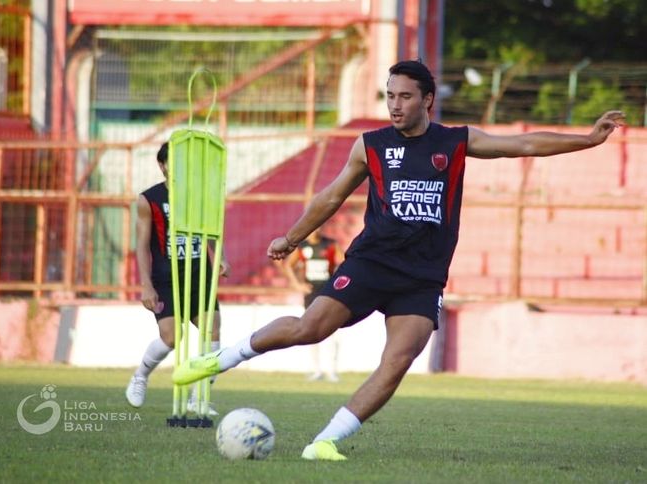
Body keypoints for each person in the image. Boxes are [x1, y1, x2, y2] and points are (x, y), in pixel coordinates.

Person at [172, 60, 625, 460]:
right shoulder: (370, 145)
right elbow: (331, 196)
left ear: (428, 99)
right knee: (310, 328)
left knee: (396, 363)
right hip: (372, 261)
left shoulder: (456, 142)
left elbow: (522, 144)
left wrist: (587, 139)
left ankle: (324, 442)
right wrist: (292, 237)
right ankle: (220, 359)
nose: (395, 105)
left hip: (422, 278)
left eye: (405, 96)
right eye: (390, 95)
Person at [126, 141, 229, 416]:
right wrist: (146, 284)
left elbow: (208, 231)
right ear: (162, 166)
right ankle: (140, 376)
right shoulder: (148, 200)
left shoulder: (197, 194)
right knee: (172, 337)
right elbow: (142, 245)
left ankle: (199, 396)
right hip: (167, 276)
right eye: (172, 162)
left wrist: (216, 257)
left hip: (199, 274)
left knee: (213, 331)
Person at [283, 229, 344, 382]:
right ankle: (316, 370)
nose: (316, 229)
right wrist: (297, 285)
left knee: (332, 330)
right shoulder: (302, 247)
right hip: (310, 293)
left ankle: (332, 370)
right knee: (310, 329)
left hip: (328, 291)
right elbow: (288, 265)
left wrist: (337, 283)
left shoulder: (330, 245)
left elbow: (344, 263)